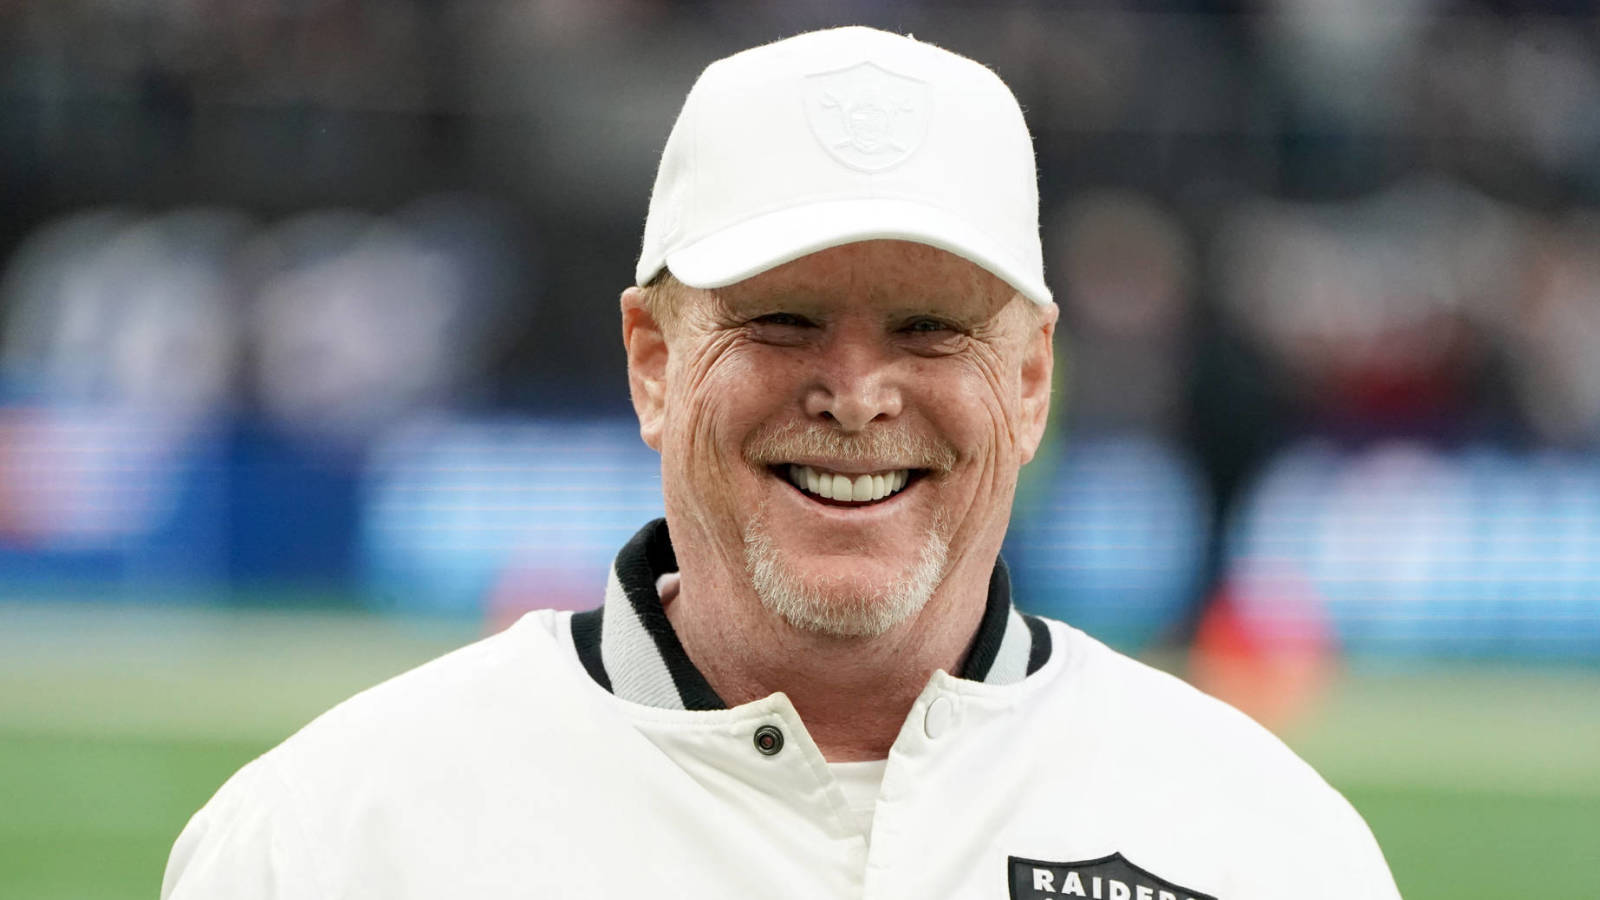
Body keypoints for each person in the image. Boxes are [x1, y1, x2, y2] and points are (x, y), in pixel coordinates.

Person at [163, 27, 1399, 899]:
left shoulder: (1269, 848)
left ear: (1031, 383)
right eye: (781, 321)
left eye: (929, 327)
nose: (855, 394)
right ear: (653, 362)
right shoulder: (329, 842)